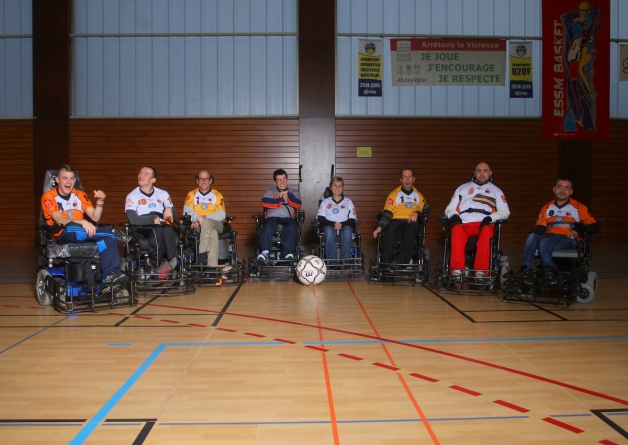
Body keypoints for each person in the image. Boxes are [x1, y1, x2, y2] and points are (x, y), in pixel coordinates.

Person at [41, 164, 126, 283]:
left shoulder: (80, 195)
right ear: (57, 180)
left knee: (108, 239)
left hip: (83, 234)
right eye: (64, 178)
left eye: (72, 178)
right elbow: (59, 220)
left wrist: (100, 202)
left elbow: (95, 217)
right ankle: (111, 231)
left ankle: (111, 277)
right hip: (64, 234)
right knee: (72, 228)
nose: (68, 182)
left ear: (75, 180)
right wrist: (82, 221)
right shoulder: (48, 197)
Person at [521, 177, 599, 279]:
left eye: (566, 188)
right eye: (560, 187)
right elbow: (540, 228)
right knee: (532, 237)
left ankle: (549, 270)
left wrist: (578, 230)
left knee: (546, 242)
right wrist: (533, 236)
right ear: (554, 189)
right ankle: (527, 269)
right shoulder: (547, 207)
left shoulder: (579, 207)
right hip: (549, 236)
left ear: (571, 191)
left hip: (568, 238)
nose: (562, 190)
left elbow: (594, 227)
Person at [444, 161, 510, 280]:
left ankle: (481, 271)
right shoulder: (462, 188)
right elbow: (450, 208)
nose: (482, 174)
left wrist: (491, 218)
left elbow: (505, 212)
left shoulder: (497, 191)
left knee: (486, 233)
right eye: (479, 171)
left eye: (485, 171)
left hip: (484, 223)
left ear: (490, 173)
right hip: (465, 222)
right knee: (456, 229)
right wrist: (454, 215)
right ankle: (457, 270)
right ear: (474, 173)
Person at [125, 166, 179, 276]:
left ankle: (170, 261)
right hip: (141, 224)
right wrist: (153, 217)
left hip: (160, 222)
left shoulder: (162, 194)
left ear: (153, 180)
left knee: (169, 229)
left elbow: (174, 211)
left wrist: (169, 208)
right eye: (140, 173)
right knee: (157, 230)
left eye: (146, 174)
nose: (141, 175)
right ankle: (156, 263)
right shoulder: (132, 196)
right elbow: (133, 219)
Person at [373, 167, 426, 264]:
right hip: (395, 220)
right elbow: (387, 213)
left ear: (413, 179)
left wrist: (416, 213)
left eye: (409, 176)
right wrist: (379, 228)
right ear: (400, 180)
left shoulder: (419, 196)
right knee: (389, 232)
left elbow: (424, 213)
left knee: (411, 230)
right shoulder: (394, 194)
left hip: (410, 222)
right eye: (404, 177)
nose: (407, 179)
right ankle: (386, 264)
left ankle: (400, 262)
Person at [256, 169, 302, 261]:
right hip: (272, 218)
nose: (282, 182)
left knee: (291, 225)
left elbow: (298, 204)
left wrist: (288, 195)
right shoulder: (270, 191)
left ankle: (287, 253)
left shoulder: (294, 192)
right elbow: (264, 202)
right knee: (268, 225)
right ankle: (265, 252)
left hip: (287, 218)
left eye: (284, 179)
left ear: (287, 179)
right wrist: (280, 199)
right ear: (275, 181)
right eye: (279, 179)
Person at [183, 171, 225, 266]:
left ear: (210, 181)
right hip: (198, 225)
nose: (204, 181)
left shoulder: (217, 195)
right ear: (197, 181)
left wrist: (203, 218)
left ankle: (202, 256)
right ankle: (212, 264)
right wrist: (197, 218)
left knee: (207, 223)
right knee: (212, 232)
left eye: (206, 179)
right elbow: (186, 212)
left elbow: (221, 214)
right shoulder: (192, 194)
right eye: (201, 179)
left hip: (216, 223)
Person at [317, 176, 357, 261]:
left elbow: (352, 219)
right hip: (328, 225)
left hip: (345, 225)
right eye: (335, 185)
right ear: (330, 187)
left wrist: (341, 224)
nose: (337, 188)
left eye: (340, 186)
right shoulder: (325, 202)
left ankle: (346, 261)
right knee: (329, 231)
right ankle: (332, 262)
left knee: (347, 231)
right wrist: (333, 224)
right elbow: (320, 218)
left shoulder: (348, 202)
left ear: (342, 188)